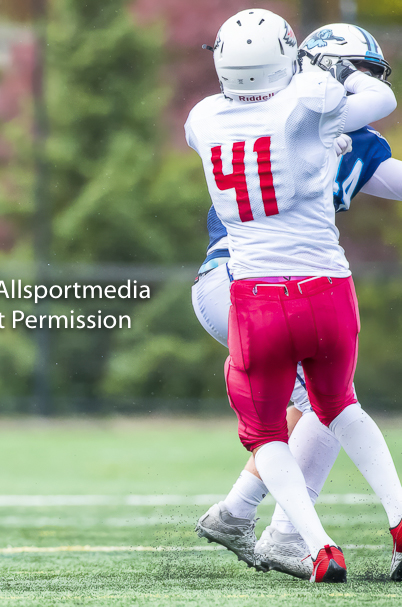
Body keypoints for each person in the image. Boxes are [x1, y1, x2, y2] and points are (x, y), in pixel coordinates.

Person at [185, 9, 402, 583]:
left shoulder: (222, 116)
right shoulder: (295, 115)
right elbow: (371, 101)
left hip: (264, 290)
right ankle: (277, 532)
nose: (361, 79)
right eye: (352, 70)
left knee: (318, 404)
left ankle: (239, 514)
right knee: (330, 404)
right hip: (234, 279)